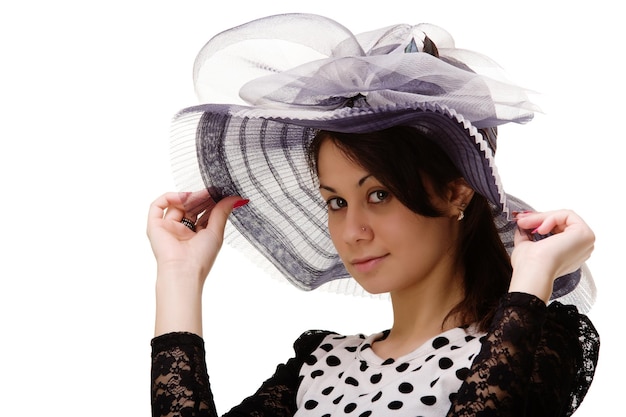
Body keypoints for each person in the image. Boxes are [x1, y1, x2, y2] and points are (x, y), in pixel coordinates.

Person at [147, 13, 600, 417]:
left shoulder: (533, 342)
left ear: (455, 193)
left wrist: (531, 279)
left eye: (379, 194)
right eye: (336, 202)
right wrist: (179, 273)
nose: (352, 232)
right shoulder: (319, 364)